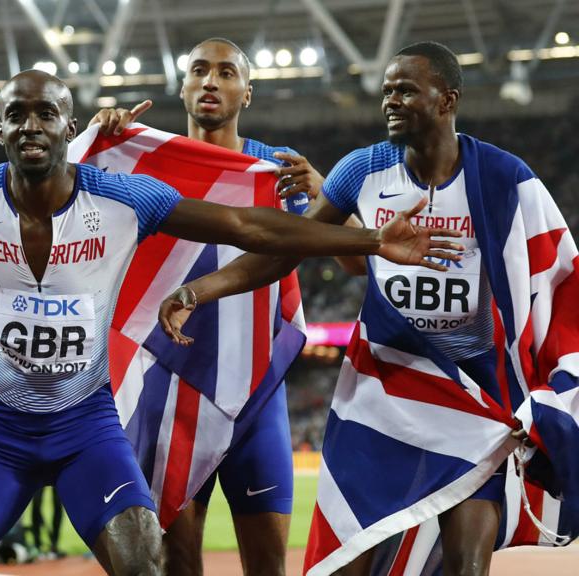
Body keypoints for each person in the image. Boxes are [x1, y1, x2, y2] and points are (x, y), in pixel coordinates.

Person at [0, 68, 460, 576]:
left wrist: (368, 238)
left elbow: (247, 225)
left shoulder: (123, 199)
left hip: (87, 430)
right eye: (15, 114)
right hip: (1, 432)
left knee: (146, 562)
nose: (30, 124)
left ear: (69, 126)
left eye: (44, 113)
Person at [158, 41, 534, 576]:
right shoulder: (362, 170)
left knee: (466, 568)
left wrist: (544, 387)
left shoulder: (500, 177)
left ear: (447, 100)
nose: (391, 101)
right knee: (340, 566)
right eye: (387, 91)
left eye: (406, 90)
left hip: (471, 399)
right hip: (380, 395)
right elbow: (282, 252)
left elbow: (547, 279)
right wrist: (199, 290)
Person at [89, 37, 363, 576]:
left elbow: (356, 262)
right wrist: (99, 140)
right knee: (179, 565)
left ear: (247, 93)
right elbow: (64, 198)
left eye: (226, 73)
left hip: (257, 394)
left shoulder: (279, 169)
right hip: (170, 393)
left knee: (268, 568)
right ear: (183, 86)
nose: (211, 81)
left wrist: (325, 194)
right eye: (199, 70)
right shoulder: (144, 163)